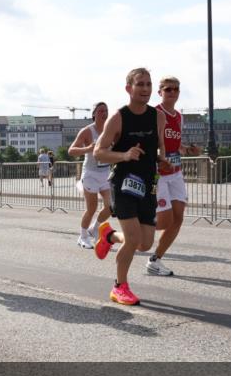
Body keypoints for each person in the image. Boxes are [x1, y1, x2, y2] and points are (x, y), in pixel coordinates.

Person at [92, 67, 168, 305]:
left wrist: (162, 159)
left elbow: (160, 145)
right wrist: (124, 155)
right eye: (140, 84)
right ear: (129, 89)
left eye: (148, 84)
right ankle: (119, 286)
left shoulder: (158, 116)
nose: (145, 89)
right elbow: (99, 153)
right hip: (123, 183)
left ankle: (110, 235)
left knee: (145, 243)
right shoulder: (118, 117)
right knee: (134, 238)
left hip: (148, 184)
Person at [148, 76, 202, 276]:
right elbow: (148, 143)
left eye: (176, 89)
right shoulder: (154, 113)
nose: (172, 92)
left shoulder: (179, 116)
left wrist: (188, 149)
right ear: (160, 92)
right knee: (163, 221)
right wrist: (158, 159)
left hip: (176, 172)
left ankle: (155, 260)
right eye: (168, 89)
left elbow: (175, 144)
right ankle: (136, 228)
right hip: (158, 174)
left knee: (178, 219)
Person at [68, 102, 112, 249]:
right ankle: (83, 236)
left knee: (111, 206)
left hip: (106, 173)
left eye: (106, 110)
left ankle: (94, 229)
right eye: (100, 111)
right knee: (91, 208)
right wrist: (87, 148)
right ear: (94, 114)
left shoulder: (111, 130)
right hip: (91, 174)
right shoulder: (87, 131)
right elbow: (71, 150)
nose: (104, 113)